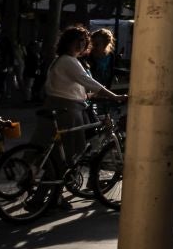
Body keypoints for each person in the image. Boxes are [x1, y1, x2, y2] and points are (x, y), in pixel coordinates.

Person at [46, 26, 122, 161]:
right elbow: (88, 81)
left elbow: (71, 86)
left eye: (83, 41)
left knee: (62, 149)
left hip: (66, 106)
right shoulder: (68, 60)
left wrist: (90, 95)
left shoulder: (64, 59)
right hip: (68, 109)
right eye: (77, 41)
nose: (81, 44)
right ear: (68, 42)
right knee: (73, 149)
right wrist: (114, 96)